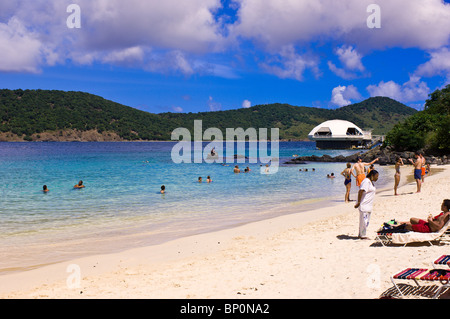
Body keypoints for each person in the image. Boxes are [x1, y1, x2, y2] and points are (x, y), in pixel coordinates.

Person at [354, 169, 379, 239]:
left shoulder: (370, 182)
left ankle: (361, 234)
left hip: (369, 205)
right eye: (376, 176)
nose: (377, 178)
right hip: (364, 204)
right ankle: (362, 236)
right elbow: (360, 191)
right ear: (372, 175)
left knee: (366, 221)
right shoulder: (366, 181)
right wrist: (358, 202)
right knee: (364, 221)